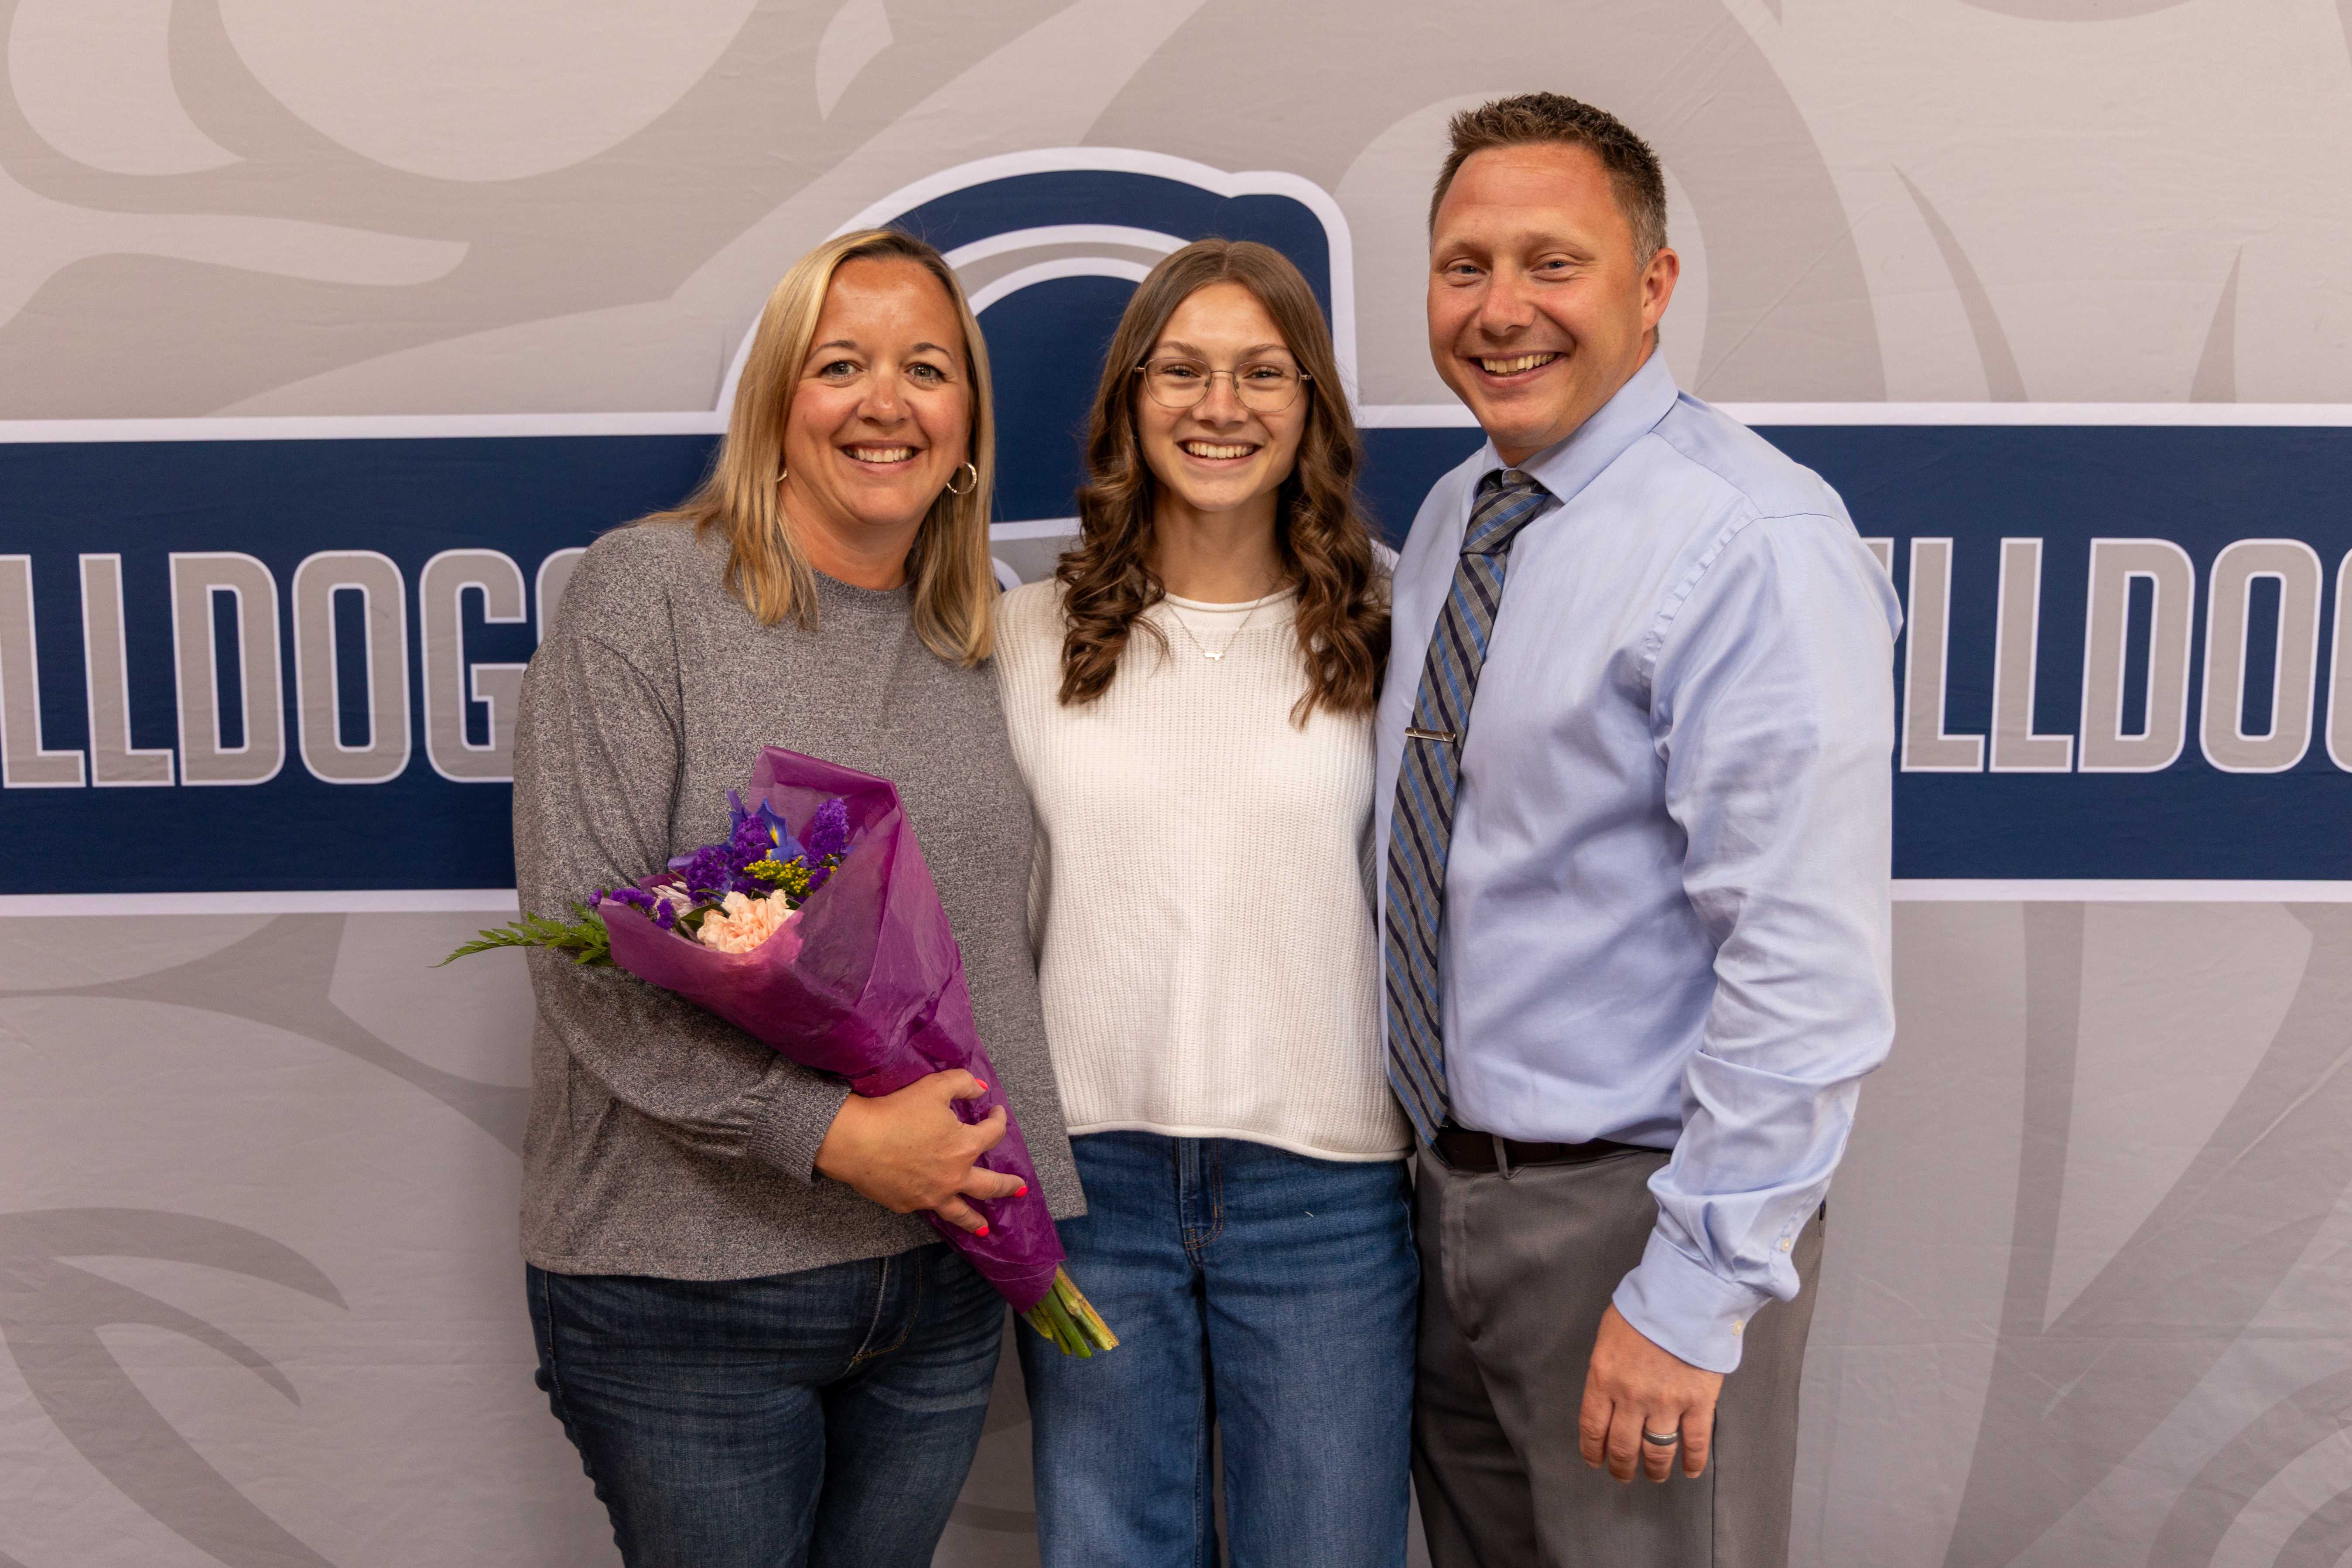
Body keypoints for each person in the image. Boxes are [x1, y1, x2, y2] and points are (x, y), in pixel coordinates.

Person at [509, 227, 1080, 1568]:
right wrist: (829, 1135)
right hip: (687, 1291)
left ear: (969, 426)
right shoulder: (644, 597)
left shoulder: (983, 641)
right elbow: (581, 955)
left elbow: (997, 955)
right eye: (842, 365)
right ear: (777, 403)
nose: (887, 402)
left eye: (927, 369)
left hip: (933, 1288)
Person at [1381, 94, 1900, 1568]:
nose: (1501, 311)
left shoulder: (1752, 544)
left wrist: (1693, 1288)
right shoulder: (1456, 517)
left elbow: (1805, 965)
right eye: (1464, 266)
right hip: (1442, 1208)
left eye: (1554, 263)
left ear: (1654, 284)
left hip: (1636, 1219)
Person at [994, 239, 1413, 1567]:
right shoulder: (1023, 635)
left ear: (1311, 409)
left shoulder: (1394, 626)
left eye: (1259, 373)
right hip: (1088, 1183)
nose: (1218, 406)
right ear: (1129, 398)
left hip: (1329, 1183)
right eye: (1182, 370)